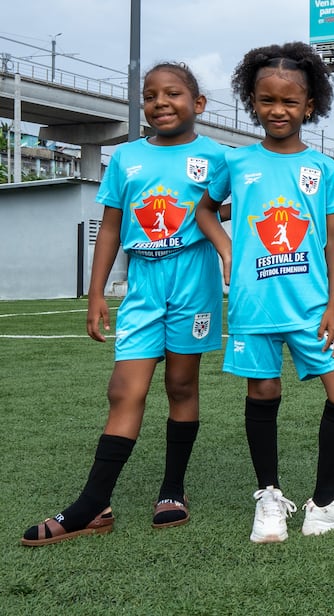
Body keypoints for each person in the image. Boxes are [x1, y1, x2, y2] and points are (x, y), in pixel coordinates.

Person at [21, 63, 224, 546]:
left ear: (197, 104)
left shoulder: (217, 157)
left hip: (194, 280)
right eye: (150, 95)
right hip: (143, 284)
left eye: (173, 93)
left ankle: (172, 491)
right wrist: (95, 293)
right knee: (123, 389)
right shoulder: (126, 158)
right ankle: (94, 505)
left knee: (180, 384)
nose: (160, 102)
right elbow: (110, 227)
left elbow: (232, 206)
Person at [195, 42, 334, 543]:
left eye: (289, 101)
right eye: (266, 100)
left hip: (311, 304)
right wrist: (228, 251)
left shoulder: (324, 168)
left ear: (310, 105)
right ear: (252, 101)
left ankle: (324, 503)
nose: (277, 110)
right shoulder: (235, 162)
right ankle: (269, 498)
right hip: (254, 303)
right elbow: (203, 211)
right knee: (263, 390)